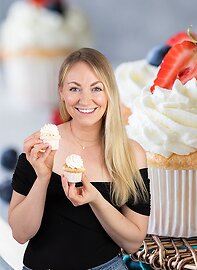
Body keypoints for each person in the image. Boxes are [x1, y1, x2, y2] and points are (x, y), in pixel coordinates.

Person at [8, 48, 151, 270]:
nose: (86, 99)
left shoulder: (131, 154)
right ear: (61, 92)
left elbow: (133, 242)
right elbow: (20, 233)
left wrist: (95, 199)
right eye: (75, 88)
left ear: (109, 93)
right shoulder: (41, 147)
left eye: (96, 88)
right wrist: (42, 178)